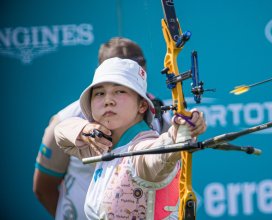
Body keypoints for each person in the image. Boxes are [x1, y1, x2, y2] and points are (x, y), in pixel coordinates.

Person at [33, 37, 170, 219]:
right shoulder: (68, 116)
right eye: (101, 93)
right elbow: (44, 187)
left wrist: (178, 135)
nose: (108, 100)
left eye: (137, 63)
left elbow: (162, 160)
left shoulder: (159, 111)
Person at [54, 57, 206, 219]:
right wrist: (84, 129)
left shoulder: (141, 148)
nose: (108, 101)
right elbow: (61, 133)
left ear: (142, 105)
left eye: (120, 91)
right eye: (99, 93)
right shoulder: (102, 146)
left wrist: (180, 132)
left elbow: (159, 154)